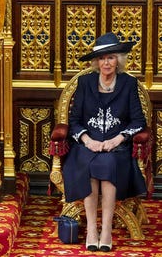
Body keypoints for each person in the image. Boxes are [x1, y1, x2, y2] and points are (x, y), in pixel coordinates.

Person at [63, 32, 147, 252]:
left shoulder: (129, 83)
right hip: (87, 144)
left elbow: (139, 120)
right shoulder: (85, 81)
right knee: (89, 164)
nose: (106, 63)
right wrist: (87, 139)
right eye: (102, 58)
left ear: (118, 60)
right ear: (96, 61)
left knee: (108, 165)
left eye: (110, 58)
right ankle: (92, 228)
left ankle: (106, 229)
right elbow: (74, 120)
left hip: (116, 146)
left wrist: (117, 139)